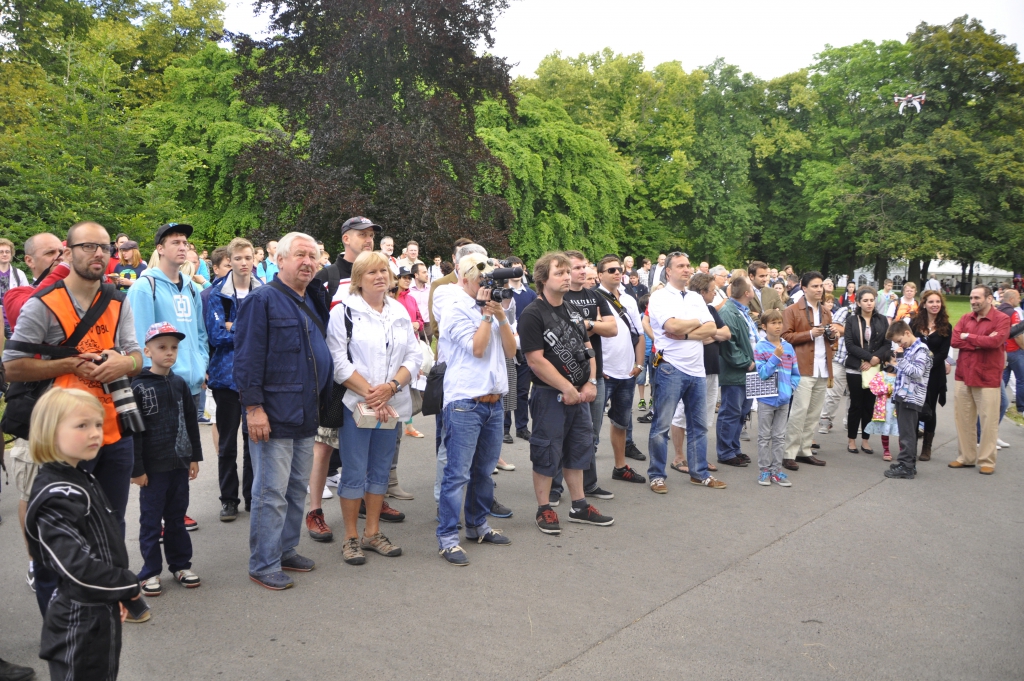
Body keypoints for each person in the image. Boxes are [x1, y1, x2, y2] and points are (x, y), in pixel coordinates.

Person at [4, 221, 143, 540]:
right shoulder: (43, 304)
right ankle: (66, 587)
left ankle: (112, 586)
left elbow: (137, 357)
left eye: (106, 247)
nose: (99, 254)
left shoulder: (118, 300)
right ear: (68, 252)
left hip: (114, 430)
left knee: (113, 523)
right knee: (69, 527)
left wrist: (125, 362)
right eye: (88, 246)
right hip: (63, 437)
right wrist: (70, 365)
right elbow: (11, 367)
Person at [234, 232, 333, 590]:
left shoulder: (313, 298)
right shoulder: (261, 301)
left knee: (294, 490)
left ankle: (286, 550)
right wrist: (254, 408)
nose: (308, 261)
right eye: (300, 255)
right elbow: (246, 359)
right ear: (280, 260)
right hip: (273, 415)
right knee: (270, 492)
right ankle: (263, 562)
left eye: (314, 256)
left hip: (306, 412)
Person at [24, 388, 145, 680]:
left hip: (96, 606)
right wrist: (126, 586)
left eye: (98, 424)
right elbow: (76, 568)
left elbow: (100, 546)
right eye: (82, 425)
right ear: (50, 433)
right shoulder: (56, 495)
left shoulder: (80, 477)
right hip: (79, 620)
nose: (95, 433)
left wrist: (111, 594)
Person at [326, 251, 420, 566]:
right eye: (371, 272)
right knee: (353, 472)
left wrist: (390, 388)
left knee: (380, 470)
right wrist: (372, 394)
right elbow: (338, 363)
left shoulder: (399, 312)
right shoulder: (343, 313)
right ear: (358, 279)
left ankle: (372, 532)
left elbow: (414, 356)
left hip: (391, 404)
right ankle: (350, 537)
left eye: (384, 270)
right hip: (358, 406)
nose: (380, 276)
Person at [519, 252, 614, 535]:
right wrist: (567, 388)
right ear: (542, 279)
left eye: (565, 272)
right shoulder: (532, 314)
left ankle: (579, 505)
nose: (566, 277)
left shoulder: (572, 310)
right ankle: (544, 508)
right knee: (547, 451)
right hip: (551, 396)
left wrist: (590, 382)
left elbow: (588, 349)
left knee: (579, 449)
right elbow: (535, 360)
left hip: (580, 396)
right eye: (559, 273)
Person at [307, 216, 388, 541]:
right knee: (324, 445)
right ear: (345, 239)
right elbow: (318, 325)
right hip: (336, 380)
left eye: (371, 235)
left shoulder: (382, 274)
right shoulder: (327, 276)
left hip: (375, 381)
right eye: (362, 235)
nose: (368, 239)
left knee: (375, 444)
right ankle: (315, 511)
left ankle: (372, 504)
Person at [432, 252, 517, 564]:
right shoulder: (455, 308)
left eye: (489, 278)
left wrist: (501, 315)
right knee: (457, 475)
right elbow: (477, 349)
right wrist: (484, 314)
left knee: (484, 471)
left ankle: (478, 525)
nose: (486, 283)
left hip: (495, 404)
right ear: (464, 279)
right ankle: (448, 538)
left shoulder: (497, 308)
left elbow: (510, 350)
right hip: (465, 403)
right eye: (480, 278)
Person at [130, 322, 204, 595]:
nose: (169, 353)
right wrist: (136, 468)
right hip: (152, 469)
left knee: (176, 518)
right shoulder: (138, 386)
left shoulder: (180, 383)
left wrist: (194, 457)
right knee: (151, 521)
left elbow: (191, 422)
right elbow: (133, 432)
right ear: (147, 351)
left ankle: (180, 565)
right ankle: (150, 571)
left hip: (178, 465)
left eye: (173, 347)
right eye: (162, 347)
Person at [647, 252, 724, 491]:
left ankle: (699, 472)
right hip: (671, 367)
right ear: (668, 271)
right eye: (681, 266)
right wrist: (695, 322)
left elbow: (711, 327)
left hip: (697, 370)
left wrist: (687, 331)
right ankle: (656, 475)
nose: (687, 269)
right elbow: (671, 326)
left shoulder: (694, 297)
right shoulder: (659, 297)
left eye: (688, 265)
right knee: (661, 425)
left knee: (698, 426)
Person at [205, 238, 262, 521]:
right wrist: (244, 329)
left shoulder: (263, 291)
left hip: (255, 377)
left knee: (254, 439)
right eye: (238, 258)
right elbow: (216, 335)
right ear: (230, 260)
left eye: (248, 257)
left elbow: (266, 334)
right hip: (225, 378)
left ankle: (252, 496)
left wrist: (233, 325)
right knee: (227, 443)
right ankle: (229, 499)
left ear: (254, 260)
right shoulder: (214, 293)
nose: (243, 263)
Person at [127, 223, 209, 411]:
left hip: (192, 386)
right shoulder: (144, 287)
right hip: (160, 386)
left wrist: (201, 365)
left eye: (185, 242)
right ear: (160, 249)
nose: (182, 247)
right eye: (175, 242)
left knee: (190, 441)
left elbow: (200, 334)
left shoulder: (191, 288)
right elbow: (140, 338)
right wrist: (152, 380)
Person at [556, 251, 617, 503]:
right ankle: (554, 488)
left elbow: (612, 328)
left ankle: (589, 484)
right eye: (577, 267)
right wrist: (593, 324)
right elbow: (559, 331)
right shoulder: (558, 296)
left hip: (594, 373)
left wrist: (585, 323)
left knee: (590, 433)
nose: (582, 271)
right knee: (560, 433)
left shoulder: (595, 295)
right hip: (564, 375)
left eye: (584, 267)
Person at [595, 256, 648, 485]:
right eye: (611, 270)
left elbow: (639, 334)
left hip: (626, 372)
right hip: (603, 372)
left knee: (621, 423)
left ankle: (620, 467)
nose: (617, 273)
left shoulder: (629, 298)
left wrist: (638, 365)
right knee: (590, 428)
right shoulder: (593, 297)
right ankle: (586, 478)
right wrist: (596, 369)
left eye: (619, 270)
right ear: (600, 275)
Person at [950, 286, 1010, 475]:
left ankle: (987, 460)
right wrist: (979, 341)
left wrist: (969, 338)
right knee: (964, 419)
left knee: (988, 421)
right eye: (971, 298)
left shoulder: (1002, 319)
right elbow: (955, 341)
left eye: (977, 298)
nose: (973, 301)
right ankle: (966, 457)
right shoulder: (965, 318)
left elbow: (995, 342)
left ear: (989, 299)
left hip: (987, 376)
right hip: (963, 374)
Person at [781, 271, 833, 469]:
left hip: (822, 368)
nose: (819, 289)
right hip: (802, 367)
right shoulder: (792, 310)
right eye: (815, 286)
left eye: (821, 286)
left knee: (814, 413)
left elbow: (829, 341)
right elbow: (785, 337)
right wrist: (810, 334)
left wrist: (832, 335)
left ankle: (804, 450)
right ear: (804, 288)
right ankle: (788, 453)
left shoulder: (827, 312)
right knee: (799, 412)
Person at [753, 310, 800, 487]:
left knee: (780, 436)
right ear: (764, 327)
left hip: (784, 399)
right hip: (766, 399)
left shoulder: (788, 347)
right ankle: (764, 470)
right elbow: (763, 373)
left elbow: (796, 373)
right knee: (764, 436)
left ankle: (776, 470)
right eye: (773, 323)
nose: (778, 326)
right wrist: (775, 357)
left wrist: (790, 389)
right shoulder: (760, 347)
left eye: (780, 322)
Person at [843, 286, 891, 454]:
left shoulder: (882, 320)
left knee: (869, 405)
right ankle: (851, 440)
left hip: (874, 368)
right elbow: (849, 344)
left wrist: (875, 359)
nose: (869, 303)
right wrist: (868, 357)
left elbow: (887, 343)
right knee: (856, 404)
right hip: (855, 367)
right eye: (865, 300)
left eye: (872, 300)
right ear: (858, 302)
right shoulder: (851, 319)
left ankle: (865, 440)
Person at [716, 276, 758, 467]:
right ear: (746, 293)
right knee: (731, 412)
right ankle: (725, 452)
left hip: (748, 370)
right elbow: (728, 344)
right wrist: (746, 362)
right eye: (751, 288)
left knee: (742, 412)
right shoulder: (729, 312)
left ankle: (734, 448)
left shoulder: (742, 311)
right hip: (737, 371)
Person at [883, 321, 933, 478]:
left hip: (911, 396)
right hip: (902, 394)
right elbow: (905, 371)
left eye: (899, 341)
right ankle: (908, 462)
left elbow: (917, 372)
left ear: (907, 333)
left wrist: (901, 359)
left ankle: (907, 466)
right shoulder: (909, 349)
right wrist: (893, 364)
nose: (899, 344)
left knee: (908, 433)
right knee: (905, 431)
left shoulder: (921, 350)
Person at [910, 290, 952, 461]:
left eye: (938, 302)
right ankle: (910, 444)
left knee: (930, 410)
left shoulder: (946, 326)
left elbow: (943, 353)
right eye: (931, 301)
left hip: (934, 374)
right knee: (912, 409)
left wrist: (927, 366)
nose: (935, 304)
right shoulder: (914, 323)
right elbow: (908, 345)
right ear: (924, 304)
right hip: (915, 373)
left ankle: (926, 447)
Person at [505, 256, 537, 442]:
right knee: (508, 389)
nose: (516, 271)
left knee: (523, 390)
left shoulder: (530, 294)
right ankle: (505, 428)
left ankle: (522, 427)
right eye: (512, 268)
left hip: (524, 346)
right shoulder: (503, 292)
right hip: (508, 348)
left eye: (519, 268)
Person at [864, 355, 899, 461]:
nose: (898, 363)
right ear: (887, 363)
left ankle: (904, 450)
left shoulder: (902, 375)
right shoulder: (881, 375)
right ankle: (886, 450)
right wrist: (888, 388)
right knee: (885, 428)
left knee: (901, 428)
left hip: (898, 407)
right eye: (895, 361)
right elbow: (873, 388)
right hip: (884, 407)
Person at [997, 289, 1024, 421]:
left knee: (1003, 380)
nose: (1019, 300)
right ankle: (1021, 407)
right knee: (1022, 379)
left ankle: (999, 403)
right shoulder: (1013, 313)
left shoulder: (997, 310)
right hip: (1014, 351)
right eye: (1018, 298)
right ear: (1012, 299)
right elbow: (1017, 335)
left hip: (1002, 352)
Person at [0, 237, 30, 336]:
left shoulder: (19, 274)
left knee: (14, 350)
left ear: (11, 254)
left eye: (7, 252)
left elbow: (27, 298)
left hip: (12, 321)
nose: (4, 254)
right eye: (1, 252)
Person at [408, 262, 431, 326]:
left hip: (428, 325)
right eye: (424, 272)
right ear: (416, 275)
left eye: (426, 272)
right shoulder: (408, 291)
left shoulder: (430, 290)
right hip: (413, 325)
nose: (427, 275)